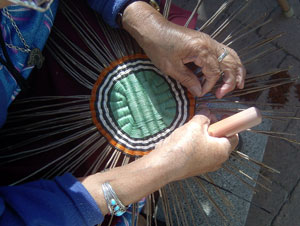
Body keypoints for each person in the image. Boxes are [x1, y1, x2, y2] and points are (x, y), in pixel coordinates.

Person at [0, 0, 244, 225]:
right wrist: (167, 166)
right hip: (31, 181)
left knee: (184, 72)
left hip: (57, 32)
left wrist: (142, 18)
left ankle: (203, 144)